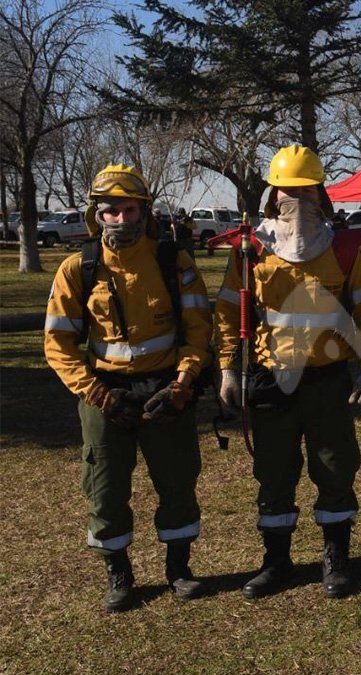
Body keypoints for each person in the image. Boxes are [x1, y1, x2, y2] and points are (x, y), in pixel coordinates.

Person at [215, 145, 361, 600]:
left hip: (327, 382)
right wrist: (228, 368)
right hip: (272, 382)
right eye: (288, 191)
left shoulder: (343, 249)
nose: (297, 200)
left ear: (321, 194)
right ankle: (276, 562)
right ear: (273, 195)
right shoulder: (252, 250)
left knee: (335, 469)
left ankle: (336, 559)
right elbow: (229, 313)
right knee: (274, 474)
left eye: (307, 191)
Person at [44, 164, 212, 612]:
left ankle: (179, 569)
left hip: (167, 390)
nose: (120, 219)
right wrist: (96, 394)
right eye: (110, 211)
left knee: (177, 482)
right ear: (96, 215)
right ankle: (118, 574)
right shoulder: (76, 268)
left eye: (129, 210)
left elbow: (199, 329)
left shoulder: (173, 261)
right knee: (104, 488)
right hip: (104, 393)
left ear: (145, 212)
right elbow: (58, 344)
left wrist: (183, 383)